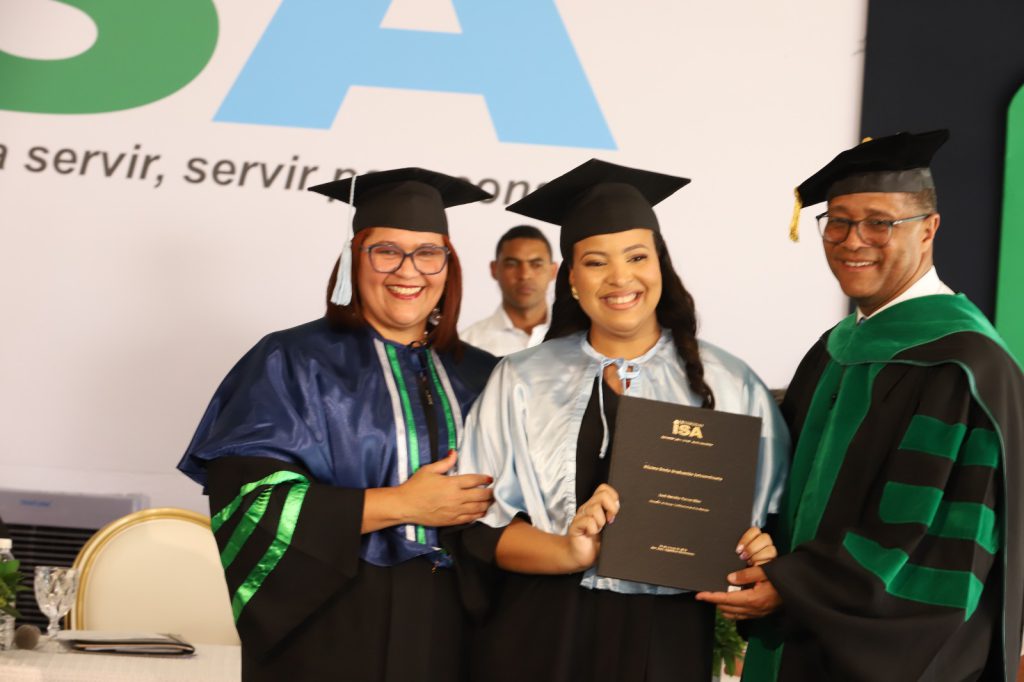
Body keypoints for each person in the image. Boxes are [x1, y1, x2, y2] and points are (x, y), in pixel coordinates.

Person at [698, 130, 1024, 681]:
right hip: (798, 642)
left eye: (879, 223)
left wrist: (793, 586)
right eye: (839, 222)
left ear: (929, 229)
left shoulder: (963, 366)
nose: (853, 241)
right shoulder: (833, 350)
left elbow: (927, 539)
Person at [453, 159, 790, 682]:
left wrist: (762, 555)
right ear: (571, 279)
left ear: (660, 266)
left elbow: (770, 522)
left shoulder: (730, 383)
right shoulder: (522, 378)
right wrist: (568, 551)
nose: (619, 278)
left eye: (637, 256)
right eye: (595, 262)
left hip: (669, 637)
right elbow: (478, 527)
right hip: (540, 633)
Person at [177, 168, 499, 682]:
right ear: (353, 259)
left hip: (453, 630)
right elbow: (250, 502)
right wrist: (402, 504)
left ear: (448, 265)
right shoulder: (290, 361)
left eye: (428, 253)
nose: (409, 270)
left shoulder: (484, 375)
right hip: (329, 626)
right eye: (386, 251)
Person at [460, 224, 558, 355]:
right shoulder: (467, 345)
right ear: (494, 269)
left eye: (536, 264)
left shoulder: (576, 337)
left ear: (553, 271)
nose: (525, 275)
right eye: (512, 264)